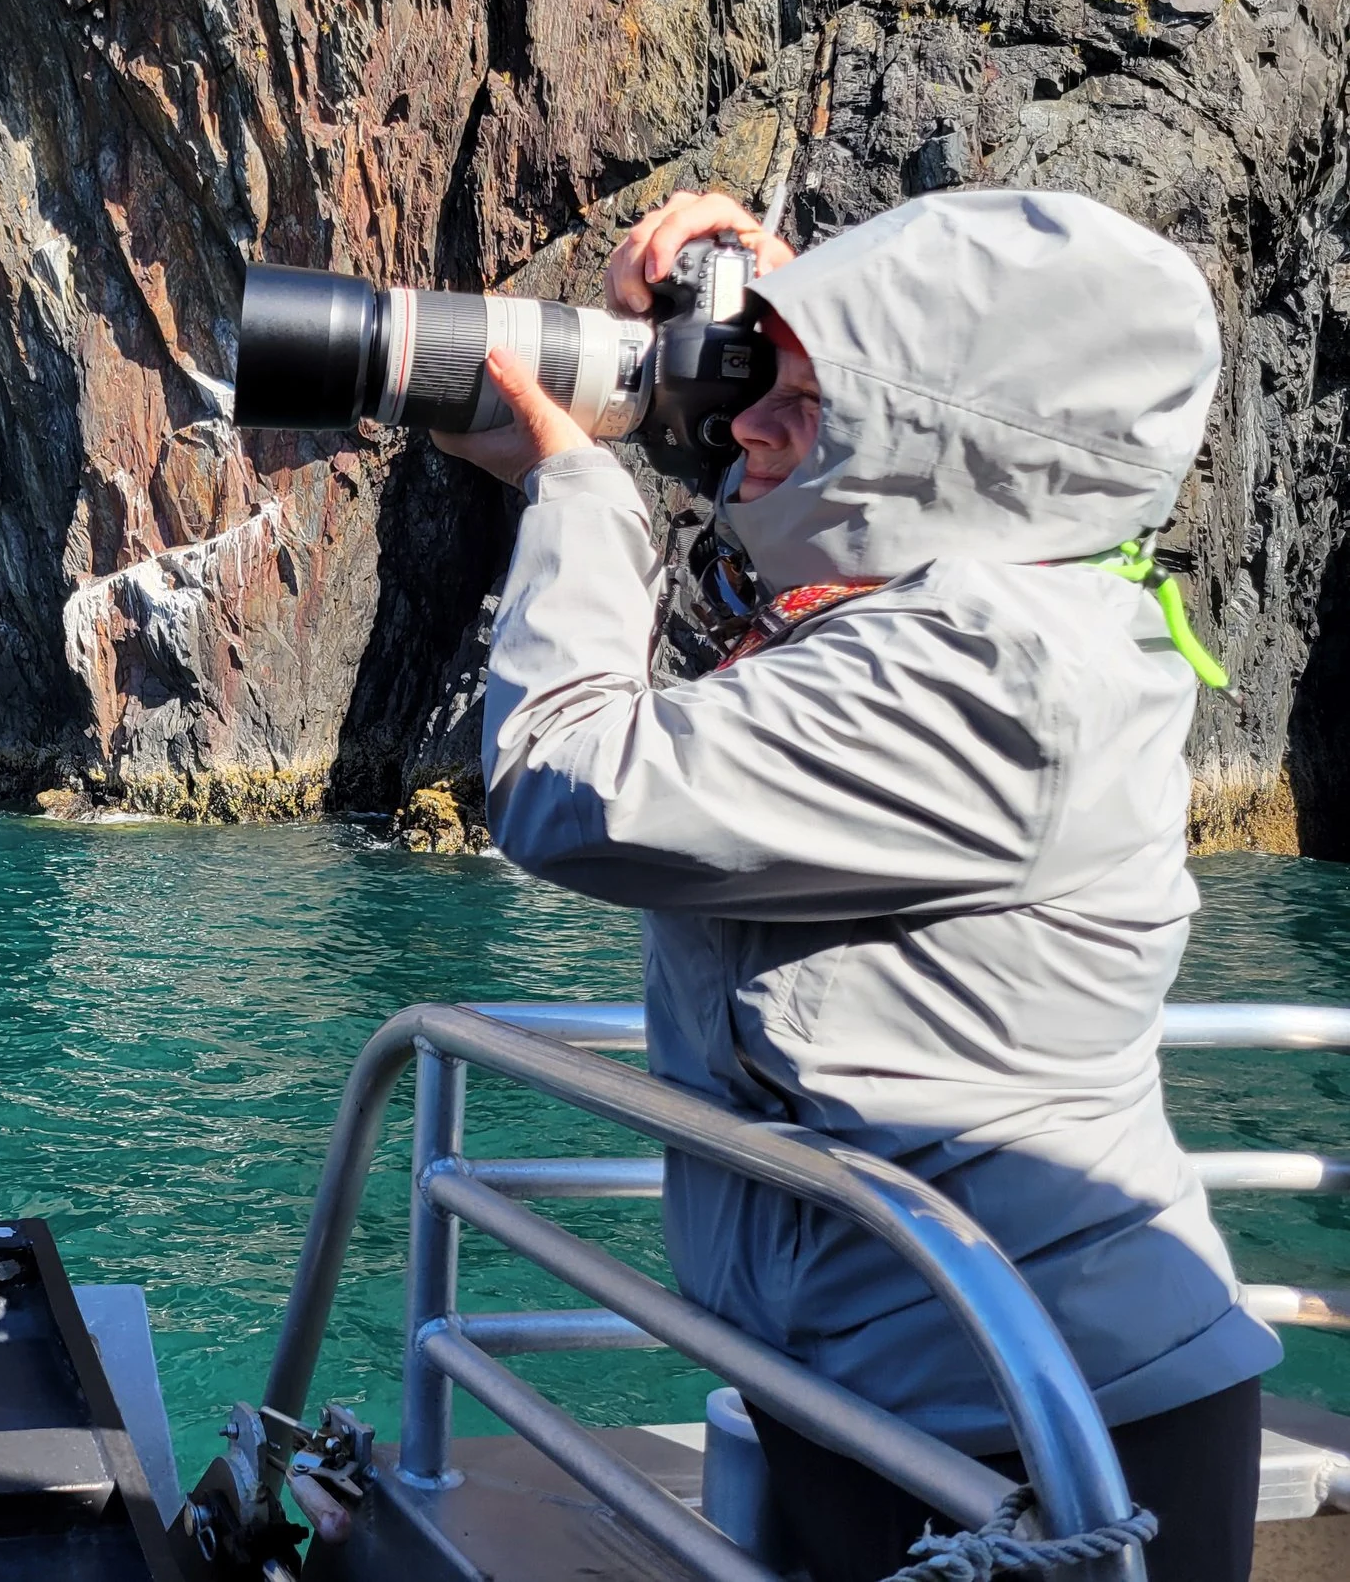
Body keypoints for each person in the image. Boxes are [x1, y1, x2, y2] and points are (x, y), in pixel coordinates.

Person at [433, 188, 1278, 1582]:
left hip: (1037, 1429)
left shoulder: (999, 675)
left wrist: (575, 485)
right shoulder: (938, 617)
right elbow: (779, 635)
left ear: (954, 441)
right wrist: (773, 315)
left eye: (806, 403)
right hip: (884, 1386)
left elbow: (566, 778)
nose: (752, 426)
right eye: (769, 385)